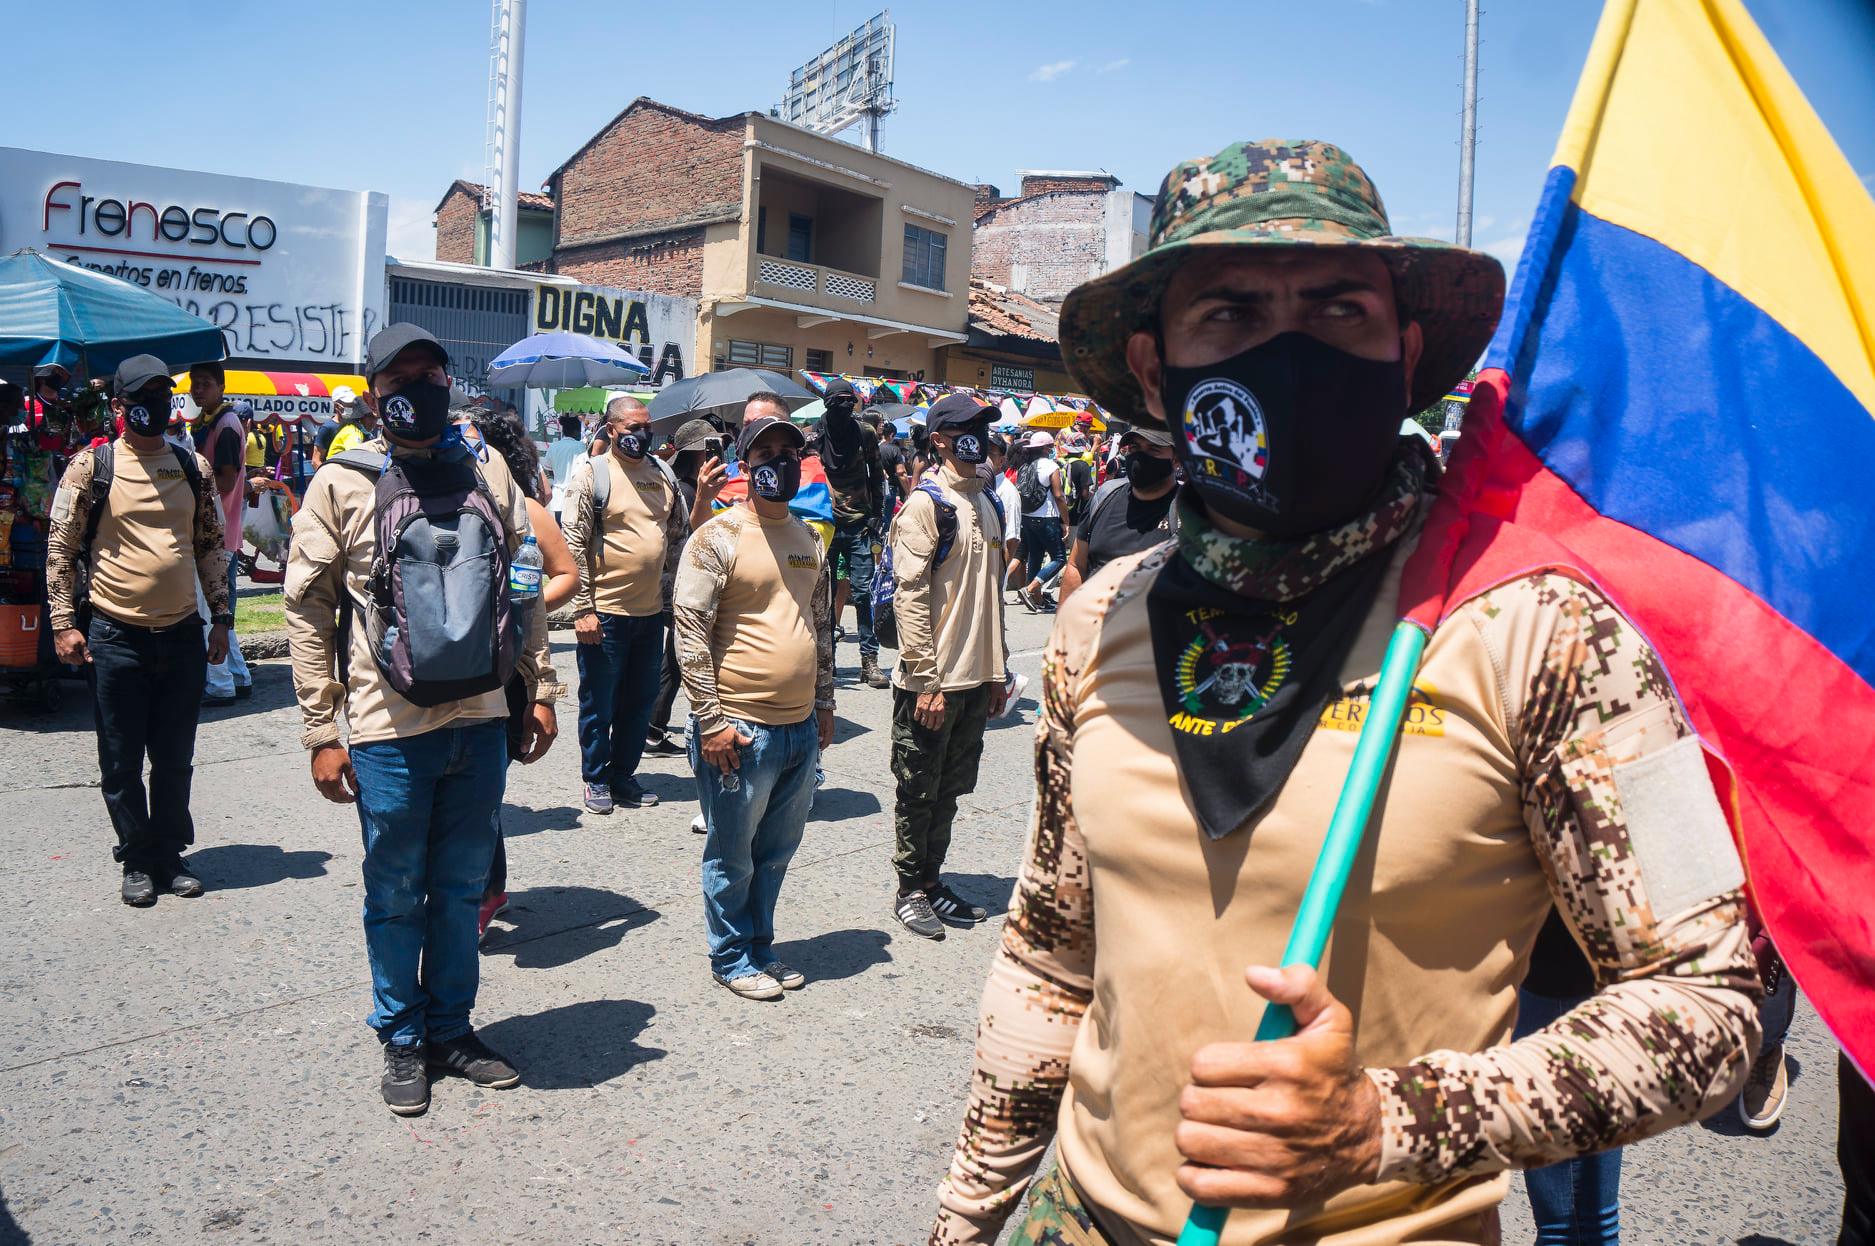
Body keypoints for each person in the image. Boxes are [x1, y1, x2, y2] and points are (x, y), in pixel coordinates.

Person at [929, 141, 1761, 1245]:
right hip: (1082, 1217)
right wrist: (966, 1217)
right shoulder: (1101, 620)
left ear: (1405, 355)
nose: (1290, 352)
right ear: (1152, 368)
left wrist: (1386, 1123)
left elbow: (1708, 999)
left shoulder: (1542, 626)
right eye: (1229, 313)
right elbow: (1048, 958)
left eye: (1338, 310)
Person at [285, 323, 558, 1116]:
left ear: (448, 381)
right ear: (375, 396)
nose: (418, 388)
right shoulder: (340, 482)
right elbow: (308, 611)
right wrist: (321, 732)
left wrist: (539, 686)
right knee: (397, 893)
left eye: (430, 374)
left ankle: (450, 1030)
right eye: (400, 378)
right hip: (386, 730)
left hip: (480, 717)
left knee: (462, 888)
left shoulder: (487, 465)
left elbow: (525, 583)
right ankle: (402, 1036)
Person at [44, 354, 230, 907]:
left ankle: (170, 856)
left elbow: (210, 545)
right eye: (142, 396)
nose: (154, 404)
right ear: (119, 406)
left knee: (173, 759)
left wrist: (221, 619)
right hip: (115, 636)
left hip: (181, 634)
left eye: (161, 394)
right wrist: (63, 623)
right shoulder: (91, 467)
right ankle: (136, 859)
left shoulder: (191, 466)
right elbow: (61, 548)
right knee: (122, 761)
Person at [673, 398, 835, 999]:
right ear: (746, 463)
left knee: (776, 851)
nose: (780, 463)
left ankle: (761, 945)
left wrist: (825, 704)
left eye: (789, 453)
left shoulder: (807, 538)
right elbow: (689, 628)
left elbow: (820, 623)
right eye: (766, 453)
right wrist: (709, 720)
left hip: (798, 727)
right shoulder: (717, 537)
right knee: (732, 851)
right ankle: (731, 956)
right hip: (739, 727)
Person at [885, 394, 1011, 940]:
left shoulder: (986, 500)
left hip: (975, 680)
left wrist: (998, 671)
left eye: (983, 427)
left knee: (950, 790)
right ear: (938, 439)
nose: (977, 437)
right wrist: (925, 681)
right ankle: (909, 889)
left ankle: (933, 881)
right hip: (932, 682)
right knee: (917, 792)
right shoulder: (926, 504)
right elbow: (909, 597)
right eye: (966, 428)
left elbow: (992, 596)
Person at [463, 407, 578, 942]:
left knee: (478, 793)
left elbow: (565, 575)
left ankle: (484, 891)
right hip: (440, 678)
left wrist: (516, 612)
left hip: (504, 674)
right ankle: (482, 887)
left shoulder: (523, 509)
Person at [563, 395, 688, 813]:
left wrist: (679, 602)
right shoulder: (593, 474)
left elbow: (677, 537)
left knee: (639, 702)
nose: (642, 435)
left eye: (646, 427)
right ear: (611, 429)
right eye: (633, 428)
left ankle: (623, 776)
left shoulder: (662, 473)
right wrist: (583, 609)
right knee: (600, 702)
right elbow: (573, 543)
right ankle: (596, 778)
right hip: (605, 614)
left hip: (649, 615)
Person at [647, 418, 730, 761]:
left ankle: (651, 727)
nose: (717, 455)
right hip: (681, 585)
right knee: (680, 658)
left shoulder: (695, 488)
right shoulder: (683, 490)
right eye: (709, 449)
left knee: (675, 658)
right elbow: (694, 537)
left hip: (683, 583)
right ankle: (652, 728)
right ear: (694, 454)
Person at [813, 380, 891, 688]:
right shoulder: (815, 435)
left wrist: (877, 515)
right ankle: (826, 660)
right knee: (824, 595)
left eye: (850, 401)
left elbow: (876, 474)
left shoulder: (864, 433)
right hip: (826, 525)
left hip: (860, 524)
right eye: (839, 402)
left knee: (863, 593)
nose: (846, 407)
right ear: (827, 404)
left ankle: (869, 662)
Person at [189, 364, 253, 707]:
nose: (198, 390)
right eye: (194, 384)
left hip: (216, 531)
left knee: (208, 611)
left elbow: (226, 480)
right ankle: (238, 676)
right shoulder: (212, 421)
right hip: (219, 530)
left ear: (221, 386)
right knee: (220, 610)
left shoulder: (225, 425)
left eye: (205, 384)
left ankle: (219, 683)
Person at [1057, 426, 1178, 603]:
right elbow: (1076, 565)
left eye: (1154, 449)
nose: (1141, 456)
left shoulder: (1189, 512)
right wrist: (1064, 618)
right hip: (1092, 617)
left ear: (1176, 459)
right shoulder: (1104, 497)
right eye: (1135, 448)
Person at [1013, 429, 1067, 612]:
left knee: (1035, 557)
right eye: (1050, 447)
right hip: (1047, 518)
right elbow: (1059, 496)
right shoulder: (1051, 466)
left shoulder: (1024, 466)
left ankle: (1037, 600)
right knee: (1059, 558)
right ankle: (1030, 590)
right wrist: (1066, 521)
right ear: (1045, 448)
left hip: (1027, 517)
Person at [544, 413, 588, 526]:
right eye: (579, 431)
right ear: (575, 431)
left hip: (558, 496)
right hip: (575, 495)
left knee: (560, 527)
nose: (580, 433)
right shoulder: (581, 446)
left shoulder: (554, 446)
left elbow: (548, 468)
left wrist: (558, 475)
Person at [324, 385, 378, 458]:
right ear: (360, 417)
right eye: (370, 417)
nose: (374, 421)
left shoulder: (364, 434)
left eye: (376, 418)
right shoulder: (352, 432)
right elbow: (356, 456)